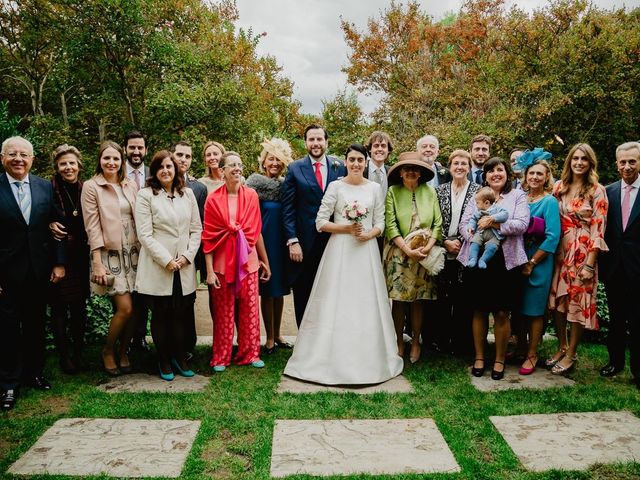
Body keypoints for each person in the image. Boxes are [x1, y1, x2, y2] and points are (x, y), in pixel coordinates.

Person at [284, 144, 403, 385]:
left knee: (364, 302)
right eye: (352, 159)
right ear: (345, 162)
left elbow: (380, 222)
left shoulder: (375, 188)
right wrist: (346, 229)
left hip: (366, 252)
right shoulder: (335, 187)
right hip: (339, 251)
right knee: (336, 301)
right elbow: (320, 222)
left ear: (366, 162)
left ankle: (369, 358)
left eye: (360, 160)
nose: (356, 164)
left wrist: (369, 235)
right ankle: (327, 358)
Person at [0, 136, 65, 411]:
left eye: (24, 155)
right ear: (2, 158)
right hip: (5, 275)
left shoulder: (43, 187)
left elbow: (58, 225)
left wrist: (59, 263)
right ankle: (8, 384)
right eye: (12, 154)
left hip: (38, 271)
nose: (18, 159)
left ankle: (34, 373)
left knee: (36, 324)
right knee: (6, 329)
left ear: (32, 159)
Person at [458, 157, 529, 380]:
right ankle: (479, 357)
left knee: (501, 311)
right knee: (478, 309)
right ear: (485, 175)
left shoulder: (517, 195)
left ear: (506, 173)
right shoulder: (477, 195)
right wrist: (471, 233)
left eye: (499, 170)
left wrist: (494, 224)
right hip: (479, 259)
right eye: (490, 171)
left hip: (505, 262)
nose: (495, 174)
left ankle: (499, 359)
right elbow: (464, 223)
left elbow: (521, 224)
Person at [135, 151, 202, 381]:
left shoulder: (188, 194)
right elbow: (145, 234)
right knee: (161, 315)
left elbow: (196, 230)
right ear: (154, 171)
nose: (166, 170)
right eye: (161, 167)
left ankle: (179, 357)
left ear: (176, 170)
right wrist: (166, 260)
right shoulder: (145, 196)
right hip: (159, 266)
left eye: (170, 166)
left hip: (183, 265)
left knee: (180, 314)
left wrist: (186, 257)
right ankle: (163, 359)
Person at [202, 151, 271, 371]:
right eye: (232, 165)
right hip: (222, 265)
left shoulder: (251, 195)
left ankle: (250, 353)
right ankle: (221, 356)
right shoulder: (213, 199)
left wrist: (264, 260)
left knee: (250, 310)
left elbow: (256, 230)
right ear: (222, 171)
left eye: (240, 164)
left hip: (248, 262)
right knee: (224, 312)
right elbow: (209, 237)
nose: (237, 168)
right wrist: (210, 271)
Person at [548, 143, 608, 375]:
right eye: (575, 158)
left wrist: (590, 264)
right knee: (558, 302)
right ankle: (561, 346)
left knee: (576, 303)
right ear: (569, 161)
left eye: (584, 159)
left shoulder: (596, 190)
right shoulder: (559, 187)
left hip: (582, 252)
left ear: (590, 163)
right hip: (560, 251)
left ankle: (572, 352)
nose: (579, 162)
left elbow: (598, 228)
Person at [81, 141, 139, 376]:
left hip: (134, 252)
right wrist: (96, 260)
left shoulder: (130, 184)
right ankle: (107, 350)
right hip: (110, 253)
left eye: (116, 158)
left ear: (121, 161)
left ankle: (124, 351)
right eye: (107, 158)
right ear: (100, 160)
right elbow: (92, 226)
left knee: (136, 309)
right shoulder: (91, 186)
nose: (111, 163)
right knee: (124, 308)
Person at [281, 124, 346, 327]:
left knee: (331, 289)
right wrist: (293, 241)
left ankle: (327, 334)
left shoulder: (340, 166)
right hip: (304, 242)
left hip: (333, 240)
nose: (316, 143)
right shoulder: (295, 168)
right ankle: (304, 336)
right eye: (312, 139)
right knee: (304, 290)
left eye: (319, 139)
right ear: (306, 142)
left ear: (326, 142)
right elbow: (288, 208)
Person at [384, 152, 442, 364]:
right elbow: (390, 224)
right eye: (406, 168)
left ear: (421, 173)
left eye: (415, 168)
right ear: (400, 172)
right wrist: (407, 249)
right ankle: (399, 340)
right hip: (400, 254)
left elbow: (438, 223)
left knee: (419, 300)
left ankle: (416, 340)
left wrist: (427, 246)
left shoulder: (430, 192)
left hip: (424, 253)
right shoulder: (393, 192)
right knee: (398, 301)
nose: (410, 171)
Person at [514, 149, 561, 375]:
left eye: (539, 174)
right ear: (525, 175)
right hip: (517, 259)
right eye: (531, 173)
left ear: (546, 177)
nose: (534, 177)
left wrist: (532, 262)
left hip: (537, 262)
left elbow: (552, 237)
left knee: (534, 311)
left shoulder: (550, 202)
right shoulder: (520, 198)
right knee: (519, 308)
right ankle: (521, 347)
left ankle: (533, 353)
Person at [245, 138, 293, 354]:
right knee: (267, 290)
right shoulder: (253, 184)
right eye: (271, 159)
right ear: (264, 161)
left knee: (280, 290)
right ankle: (270, 337)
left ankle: (279, 332)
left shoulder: (286, 186)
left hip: (282, 241)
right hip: (262, 241)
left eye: (279, 160)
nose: (274, 163)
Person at [599, 141, 640, 389]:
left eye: (632, 161)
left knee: (637, 321)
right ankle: (615, 362)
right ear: (616, 164)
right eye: (622, 162)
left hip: (638, 267)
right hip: (614, 267)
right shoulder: (608, 191)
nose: (627, 166)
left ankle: (638, 370)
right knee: (616, 319)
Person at [434, 149, 480, 355]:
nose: (460, 167)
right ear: (449, 167)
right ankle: (442, 340)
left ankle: (462, 343)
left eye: (464, 163)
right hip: (444, 248)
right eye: (456, 163)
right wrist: (445, 242)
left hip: (467, 248)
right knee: (443, 297)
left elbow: (480, 219)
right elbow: (434, 220)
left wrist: (461, 241)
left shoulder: (479, 191)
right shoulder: (440, 190)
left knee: (464, 297)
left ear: (469, 167)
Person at [49, 145, 90, 374]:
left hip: (81, 257)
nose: (68, 167)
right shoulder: (49, 189)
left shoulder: (85, 189)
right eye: (63, 163)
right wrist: (48, 223)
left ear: (79, 165)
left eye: (72, 163)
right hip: (59, 257)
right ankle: (64, 356)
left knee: (79, 309)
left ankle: (78, 353)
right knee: (58, 309)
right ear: (57, 166)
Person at [172, 141, 208, 357]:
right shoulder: (159, 182)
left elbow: (200, 225)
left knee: (188, 298)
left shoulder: (198, 188)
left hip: (191, 252)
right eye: (179, 154)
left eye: (187, 156)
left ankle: (188, 345)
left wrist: (193, 255)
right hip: (166, 252)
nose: (183, 159)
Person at [123, 131, 151, 354]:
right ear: (125, 149)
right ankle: (125, 338)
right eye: (132, 147)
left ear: (145, 150)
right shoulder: (116, 173)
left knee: (144, 292)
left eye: (140, 148)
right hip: (124, 241)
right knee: (127, 292)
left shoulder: (154, 174)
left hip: (150, 242)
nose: (136, 151)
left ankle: (140, 336)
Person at [466, 187, 509, 269]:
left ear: (486, 202)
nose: (476, 205)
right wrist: (471, 227)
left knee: (492, 247)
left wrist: (493, 218)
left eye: (477, 203)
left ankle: (483, 260)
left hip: (493, 235)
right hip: (480, 233)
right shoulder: (478, 212)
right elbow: (473, 219)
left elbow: (505, 214)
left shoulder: (497, 208)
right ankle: (473, 258)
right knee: (474, 243)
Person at [364, 130, 393, 197]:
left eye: (383, 146)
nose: (380, 149)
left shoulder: (392, 173)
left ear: (388, 150)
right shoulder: (361, 170)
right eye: (376, 146)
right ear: (370, 149)